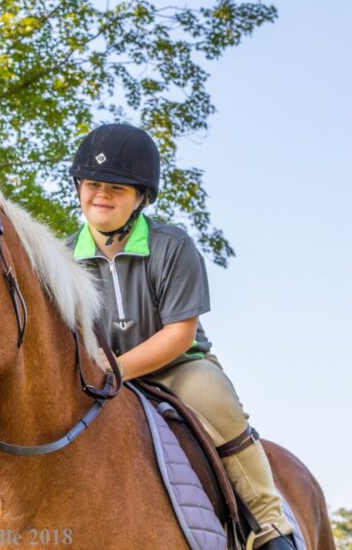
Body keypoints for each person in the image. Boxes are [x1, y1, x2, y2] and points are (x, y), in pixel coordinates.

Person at [66, 123, 295, 549]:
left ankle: (269, 524)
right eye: (93, 184)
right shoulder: (63, 260)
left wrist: (112, 370)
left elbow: (178, 333)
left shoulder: (171, 246)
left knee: (217, 400)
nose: (101, 194)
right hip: (95, 374)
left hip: (177, 367)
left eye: (116, 187)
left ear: (140, 197)